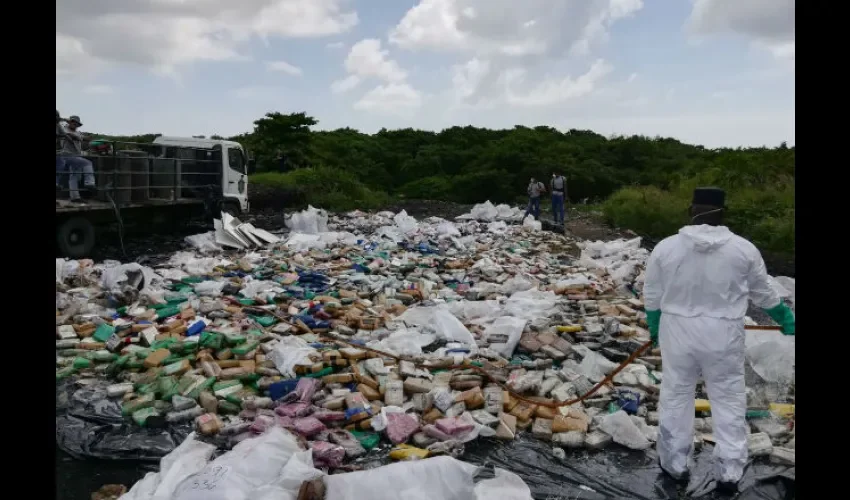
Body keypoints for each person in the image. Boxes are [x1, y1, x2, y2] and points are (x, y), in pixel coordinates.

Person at [642, 187, 795, 493]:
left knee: (676, 395)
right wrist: (783, 315)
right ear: (722, 213)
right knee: (727, 398)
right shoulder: (743, 249)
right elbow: (763, 290)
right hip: (723, 333)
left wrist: (655, 322)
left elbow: (652, 292)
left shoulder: (666, 248)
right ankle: (729, 469)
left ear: (691, 209)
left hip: (678, 330)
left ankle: (675, 465)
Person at [59, 115, 96, 203]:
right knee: (88, 163)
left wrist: (88, 139)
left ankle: (75, 197)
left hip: (76, 156)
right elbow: (70, 136)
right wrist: (82, 138)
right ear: (69, 122)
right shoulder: (64, 129)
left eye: (76, 123)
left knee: (75, 176)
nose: (74, 124)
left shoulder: (78, 132)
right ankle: (89, 183)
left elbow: (84, 139)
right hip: (67, 155)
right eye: (73, 122)